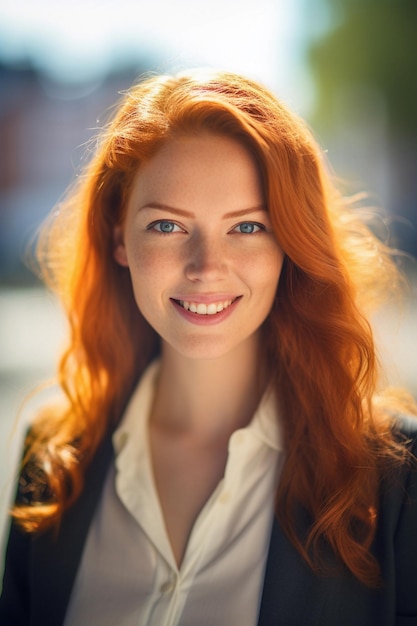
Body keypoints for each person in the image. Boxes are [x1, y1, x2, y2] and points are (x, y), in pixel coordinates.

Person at [0, 68, 416, 626]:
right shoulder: (53, 458)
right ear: (119, 235)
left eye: (247, 228)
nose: (206, 268)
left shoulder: (397, 476)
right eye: (168, 226)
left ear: (289, 245)